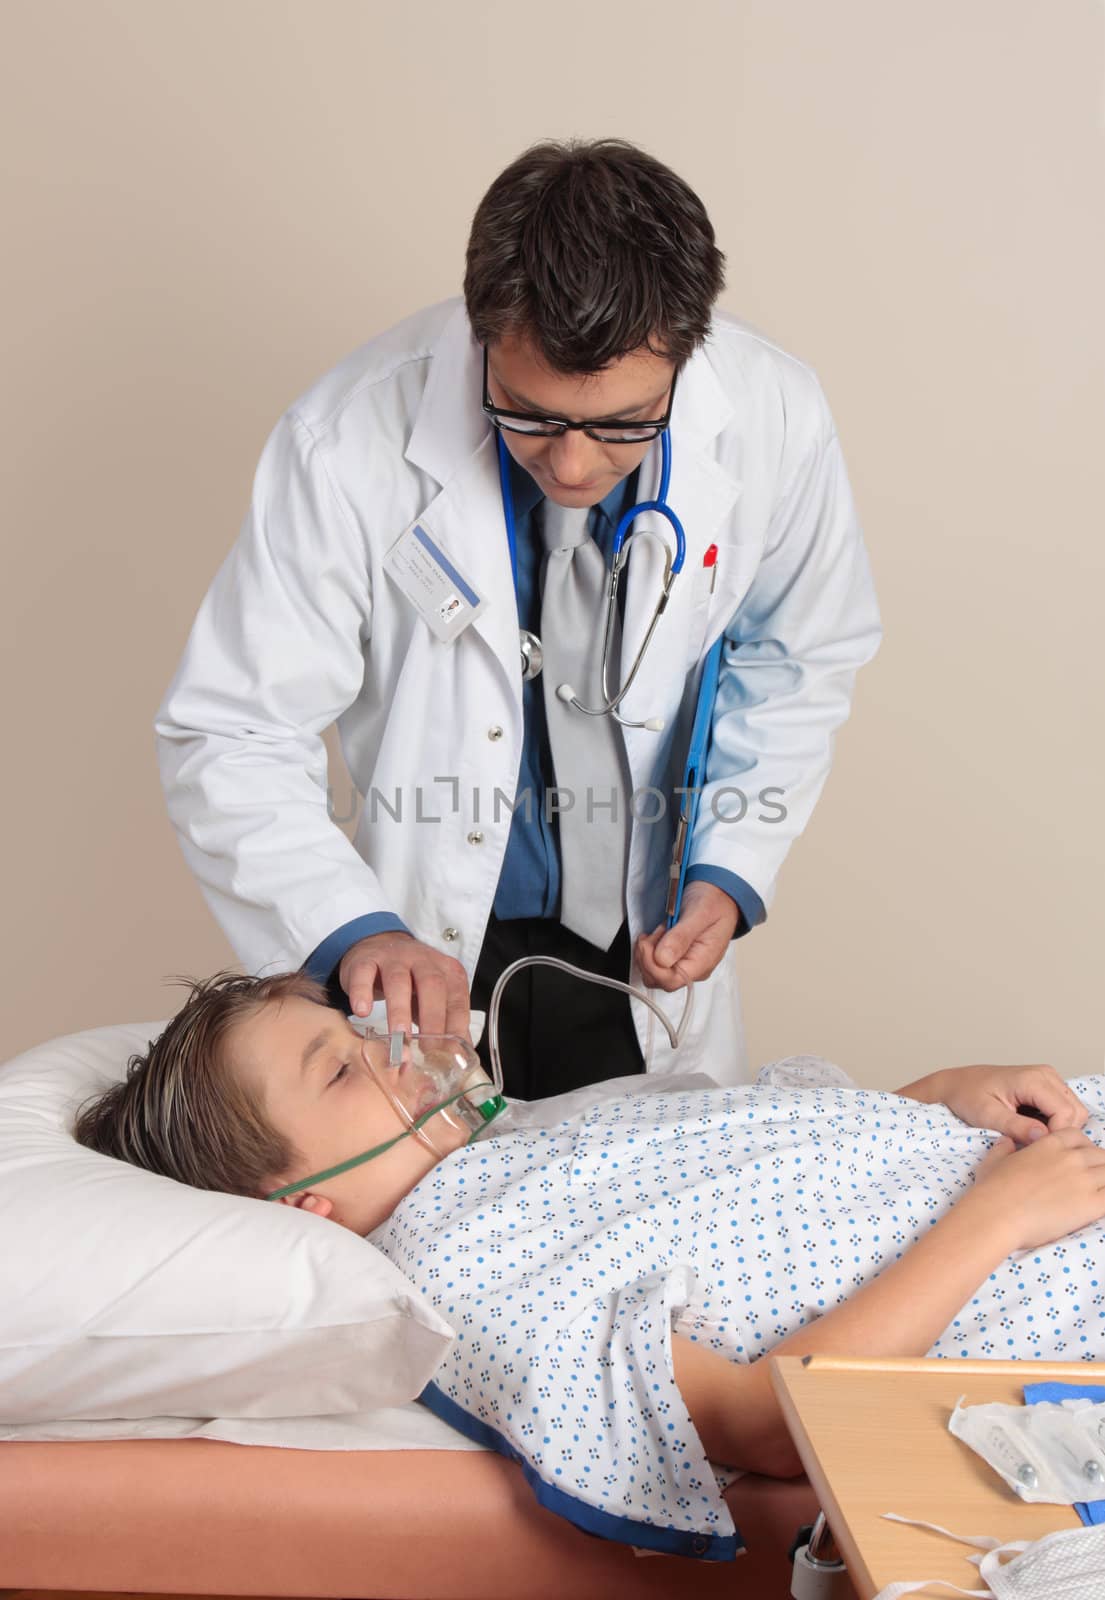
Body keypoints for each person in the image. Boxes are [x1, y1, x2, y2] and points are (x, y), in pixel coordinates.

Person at [154, 138, 882, 1098]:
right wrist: (353, 928)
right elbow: (233, 729)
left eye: (623, 423)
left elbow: (801, 654)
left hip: (644, 949)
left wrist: (731, 864)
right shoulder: (344, 441)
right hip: (424, 953)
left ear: (688, 349)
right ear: (482, 332)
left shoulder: (772, 412)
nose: (575, 468)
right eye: (531, 416)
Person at [74, 970, 1105, 1557]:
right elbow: (771, 1422)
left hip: (1047, 1164)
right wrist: (996, 1221)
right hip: (1058, 1260)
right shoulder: (460, 1273)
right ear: (306, 1204)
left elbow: (775, 1177)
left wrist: (936, 1094)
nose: (390, 1047)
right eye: (342, 1068)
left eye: (356, 1028)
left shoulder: (515, 1145)